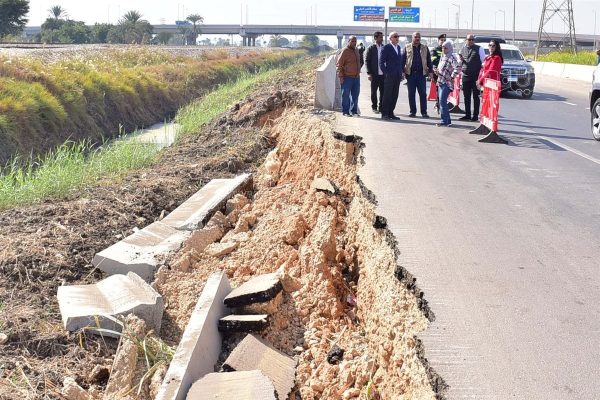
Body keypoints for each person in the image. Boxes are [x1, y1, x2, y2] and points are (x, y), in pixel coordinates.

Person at [473, 39, 506, 143]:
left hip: (493, 87)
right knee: (485, 107)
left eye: (493, 46)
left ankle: (493, 130)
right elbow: (482, 70)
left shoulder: (497, 58)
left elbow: (491, 72)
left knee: (492, 108)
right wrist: (479, 80)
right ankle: (484, 125)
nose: (491, 47)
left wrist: (481, 81)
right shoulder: (488, 57)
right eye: (490, 45)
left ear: (497, 48)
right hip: (486, 86)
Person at [404, 32, 434, 118]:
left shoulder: (424, 48)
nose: (417, 38)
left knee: (423, 94)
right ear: (412, 38)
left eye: (419, 37)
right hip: (411, 75)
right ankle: (413, 112)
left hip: (421, 74)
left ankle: (424, 112)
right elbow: (403, 59)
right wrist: (402, 71)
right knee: (411, 94)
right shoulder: (407, 47)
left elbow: (429, 60)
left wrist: (431, 72)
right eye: (415, 37)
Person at [459, 34, 486, 121]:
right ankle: (467, 115)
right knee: (466, 97)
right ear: (465, 40)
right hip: (465, 76)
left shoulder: (479, 48)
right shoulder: (462, 49)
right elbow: (459, 62)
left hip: (476, 77)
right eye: (469, 39)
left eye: (472, 39)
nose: (471, 41)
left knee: (476, 97)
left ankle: (475, 116)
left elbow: (483, 62)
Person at [379, 31, 405, 120]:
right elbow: (381, 62)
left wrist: (401, 72)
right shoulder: (386, 47)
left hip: (397, 75)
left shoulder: (398, 47)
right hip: (389, 75)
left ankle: (391, 113)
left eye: (398, 36)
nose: (397, 38)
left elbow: (400, 62)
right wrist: (386, 73)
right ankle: (384, 113)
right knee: (387, 95)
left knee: (395, 95)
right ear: (390, 38)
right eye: (395, 36)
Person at [434, 40, 461, 127]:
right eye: (442, 47)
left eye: (445, 48)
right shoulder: (443, 56)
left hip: (446, 83)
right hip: (440, 81)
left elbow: (458, 67)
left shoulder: (451, 57)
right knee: (442, 102)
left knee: (442, 102)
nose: (443, 49)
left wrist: (452, 76)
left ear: (449, 48)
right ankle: (447, 120)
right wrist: (436, 70)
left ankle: (444, 121)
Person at [336, 36, 361, 117]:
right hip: (347, 77)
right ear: (349, 41)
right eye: (352, 41)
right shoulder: (345, 51)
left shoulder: (356, 50)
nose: (354, 43)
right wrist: (341, 77)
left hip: (356, 77)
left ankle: (354, 111)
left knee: (355, 95)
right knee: (346, 95)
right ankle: (345, 111)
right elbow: (339, 65)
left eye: (355, 41)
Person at [365, 32, 385, 114]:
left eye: (382, 37)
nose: (382, 39)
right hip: (374, 74)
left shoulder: (384, 48)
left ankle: (381, 108)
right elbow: (367, 61)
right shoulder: (371, 48)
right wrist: (369, 73)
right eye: (380, 37)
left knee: (383, 92)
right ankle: (374, 107)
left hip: (383, 74)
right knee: (374, 92)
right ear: (375, 38)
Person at [430, 33, 446, 114]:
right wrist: (435, 69)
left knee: (445, 90)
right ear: (438, 41)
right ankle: (438, 104)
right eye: (441, 40)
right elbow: (433, 61)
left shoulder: (447, 50)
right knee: (439, 89)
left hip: (446, 74)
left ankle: (441, 103)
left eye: (444, 40)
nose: (443, 42)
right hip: (438, 73)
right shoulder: (435, 50)